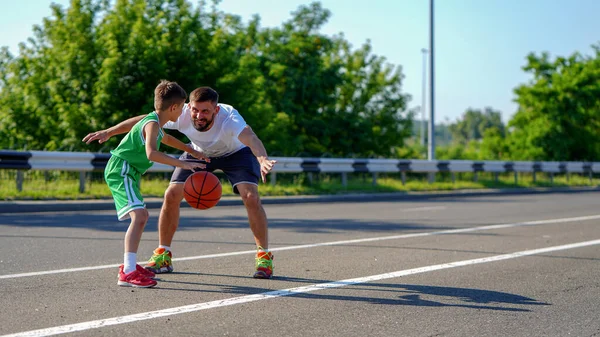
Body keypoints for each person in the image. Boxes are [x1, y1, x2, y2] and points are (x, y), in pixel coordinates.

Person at [83, 86, 277, 279]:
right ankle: (163, 255)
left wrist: (262, 159)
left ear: (216, 110)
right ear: (189, 106)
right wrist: (110, 131)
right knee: (171, 194)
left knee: (250, 196)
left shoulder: (229, 118)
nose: (198, 115)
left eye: (205, 111)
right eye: (195, 109)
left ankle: (263, 256)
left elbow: (251, 138)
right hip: (198, 152)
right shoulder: (182, 112)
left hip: (235, 154)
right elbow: (145, 121)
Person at [84, 80, 206, 287]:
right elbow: (152, 152)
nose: (183, 112)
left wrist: (191, 150)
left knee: (141, 216)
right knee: (140, 216)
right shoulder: (152, 124)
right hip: (121, 169)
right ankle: (128, 272)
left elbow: (165, 139)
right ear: (174, 107)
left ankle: (130, 266)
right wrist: (182, 164)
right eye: (183, 107)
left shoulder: (155, 122)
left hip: (128, 171)